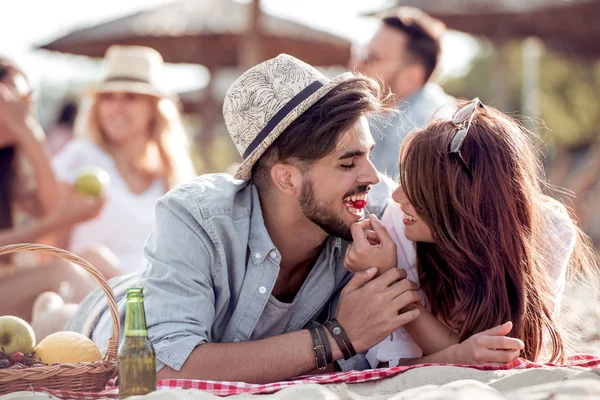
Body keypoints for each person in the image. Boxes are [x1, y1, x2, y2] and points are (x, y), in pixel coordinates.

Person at [57, 55, 526, 384]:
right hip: (114, 316)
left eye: (366, 156)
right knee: (71, 311)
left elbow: (377, 366)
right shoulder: (195, 215)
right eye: (347, 163)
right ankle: (55, 308)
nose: (372, 177)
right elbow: (165, 370)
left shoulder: (375, 217)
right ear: (286, 179)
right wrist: (335, 338)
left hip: (168, 295)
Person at [344, 98, 599, 367]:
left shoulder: (548, 229)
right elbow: (388, 364)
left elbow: (512, 350)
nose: (397, 196)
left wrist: (458, 353)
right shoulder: (399, 224)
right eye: (403, 179)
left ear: (464, 201)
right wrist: (391, 279)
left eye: (418, 187)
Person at [52, 45, 196, 278]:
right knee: (94, 256)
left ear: (154, 108)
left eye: (131, 97)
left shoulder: (172, 175)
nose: (116, 108)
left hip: (154, 295)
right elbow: (50, 249)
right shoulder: (80, 157)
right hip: (91, 294)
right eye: (108, 98)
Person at [0, 57, 103, 320]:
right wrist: (56, 221)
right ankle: (129, 346)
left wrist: (31, 137)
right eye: (12, 102)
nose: (23, 111)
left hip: (16, 296)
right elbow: (55, 219)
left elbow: (54, 207)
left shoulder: (15, 167)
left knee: (95, 258)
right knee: (61, 272)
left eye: (26, 99)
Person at [350, 7, 456, 179]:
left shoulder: (433, 129)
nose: (358, 64)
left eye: (373, 57)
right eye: (361, 53)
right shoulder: (375, 115)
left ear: (412, 75)